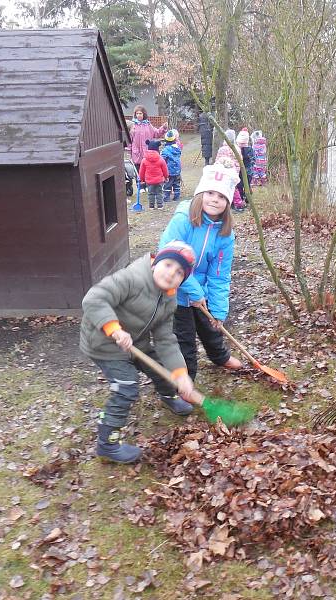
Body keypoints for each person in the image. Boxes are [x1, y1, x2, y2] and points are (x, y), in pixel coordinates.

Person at [80, 241, 198, 464]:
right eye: (169, 264)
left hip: (136, 340)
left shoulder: (169, 298)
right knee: (126, 387)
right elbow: (94, 298)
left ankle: (169, 395)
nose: (172, 273)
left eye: (180, 271)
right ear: (156, 262)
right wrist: (114, 329)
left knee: (163, 368)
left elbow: (165, 340)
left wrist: (181, 374)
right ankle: (108, 444)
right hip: (104, 343)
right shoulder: (131, 278)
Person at [159, 164, 244, 381]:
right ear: (200, 194)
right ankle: (184, 380)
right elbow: (169, 259)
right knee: (184, 338)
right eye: (210, 193)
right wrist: (194, 292)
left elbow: (219, 275)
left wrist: (218, 310)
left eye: (221, 197)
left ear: (227, 203)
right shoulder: (182, 221)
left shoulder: (225, 235)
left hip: (202, 291)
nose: (215, 199)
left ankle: (220, 356)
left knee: (211, 326)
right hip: (174, 291)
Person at [129, 105, 167, 173]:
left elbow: (156, 133)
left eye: (140, 113)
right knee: (139, 177)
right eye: (137, 113)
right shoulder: (132, 125)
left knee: (148, 176)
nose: (138, 115)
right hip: (136, 156)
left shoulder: (148, 125)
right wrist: (130, 151)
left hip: (147, 155)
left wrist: (163, 128)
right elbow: (129, 139)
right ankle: (139, 184)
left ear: (144, 114)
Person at [139, 139, 168, 210]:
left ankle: (151, 206)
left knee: (150, 193)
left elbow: (141, 171)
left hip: (149, 181)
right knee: (159, 192)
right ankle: (160, 205)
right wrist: (166, 177)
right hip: (159, 180)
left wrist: (141, 179)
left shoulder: (144, 160)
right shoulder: (161, 159)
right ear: (157, 149)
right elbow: (165, 169)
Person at [161, 130, 183, 204]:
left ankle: (166, 197)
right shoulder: (177, 149)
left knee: (168, 184)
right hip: (177, 170)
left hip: (169, 171)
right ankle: (177, 196)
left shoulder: (165, 150)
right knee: (176, 184)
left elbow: (162, 160)